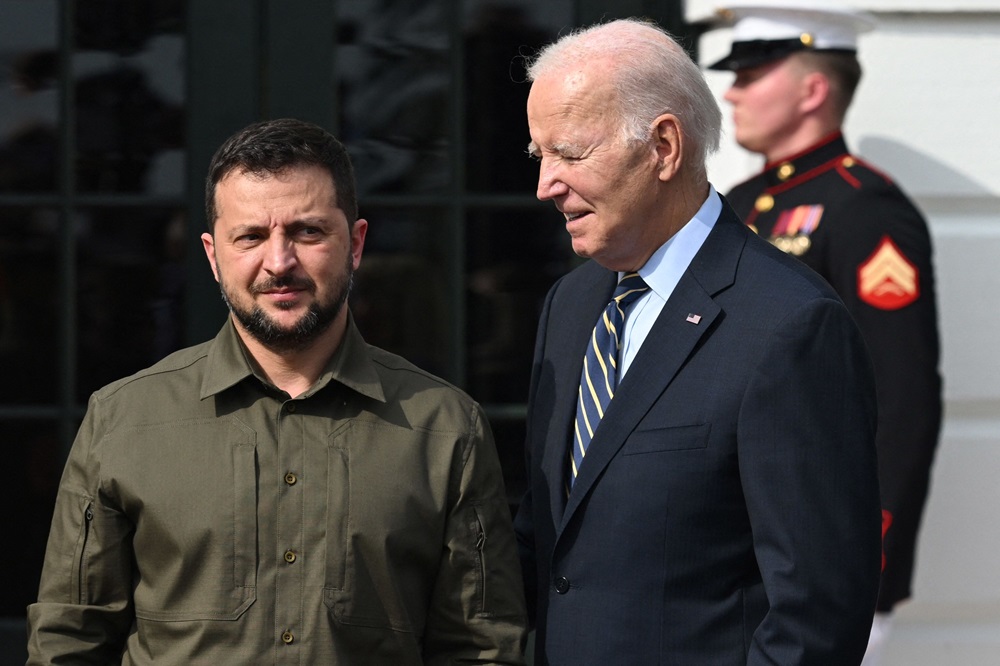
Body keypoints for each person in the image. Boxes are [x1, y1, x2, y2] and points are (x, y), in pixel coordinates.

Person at [26, 118, 527, 664]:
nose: (279, 262)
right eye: (251, 236)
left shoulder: (446, 428)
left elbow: (482, 650)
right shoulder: (122, 420)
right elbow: (69, 641)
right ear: (214, 256)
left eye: (308, 232)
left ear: (355, 244)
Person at [513, 17, 883, 665]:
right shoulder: (570, 306)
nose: (546, 184)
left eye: (569, 154)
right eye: (538, 156)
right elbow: (548, 540)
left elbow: (815, 615)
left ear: (663, 147)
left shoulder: (789, 325)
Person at [706, 2, 943, 661]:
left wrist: (875, 549)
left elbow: (902, 397)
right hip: (736, 546)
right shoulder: (741, 205)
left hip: (819, 554)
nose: (732, 91)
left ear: (812, 89)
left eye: (752, 75)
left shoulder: (864, 207)